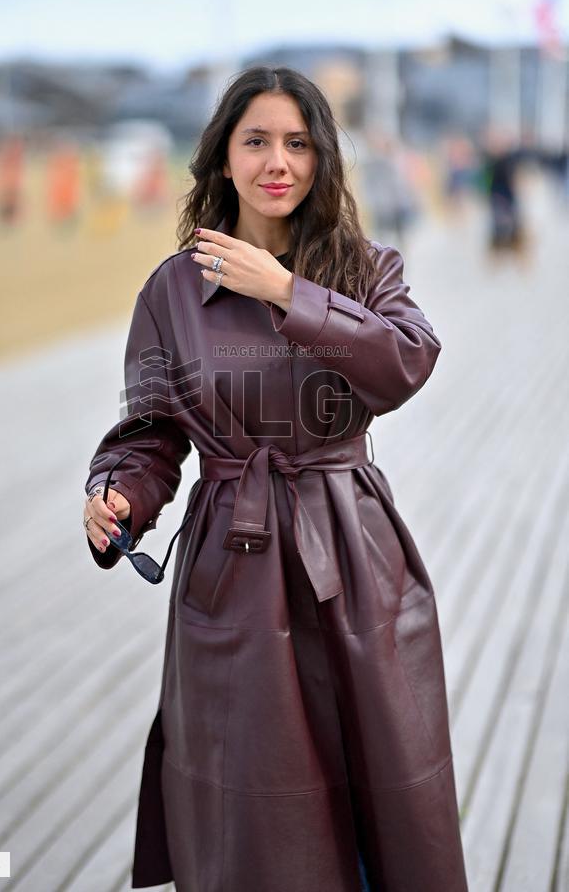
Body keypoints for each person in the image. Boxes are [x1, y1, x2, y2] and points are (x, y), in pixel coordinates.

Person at [83, 66, 469, 892]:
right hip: (235, 566)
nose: (277, 161)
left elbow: (405, 362)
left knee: (383, 784)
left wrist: (289, 293)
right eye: (256, 140)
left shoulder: (368, 269)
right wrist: (120, 490)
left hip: (353, 554)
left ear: (323, 159)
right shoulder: (174, 289)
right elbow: (152, 429)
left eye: (298, 143)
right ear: (223, 158)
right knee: (256, 804)